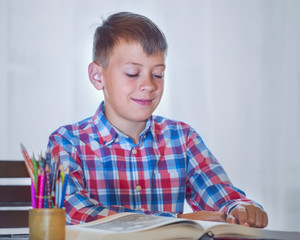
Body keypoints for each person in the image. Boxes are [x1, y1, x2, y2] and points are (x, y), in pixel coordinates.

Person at [48, 12, 268, 228]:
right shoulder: (67, 141)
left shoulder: (182, 138)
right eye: (133, 73)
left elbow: (224, 199)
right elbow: (75, 212)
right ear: (98, 76)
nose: (149, 85)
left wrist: (239, 208)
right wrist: (179, 220)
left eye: (158, 74)